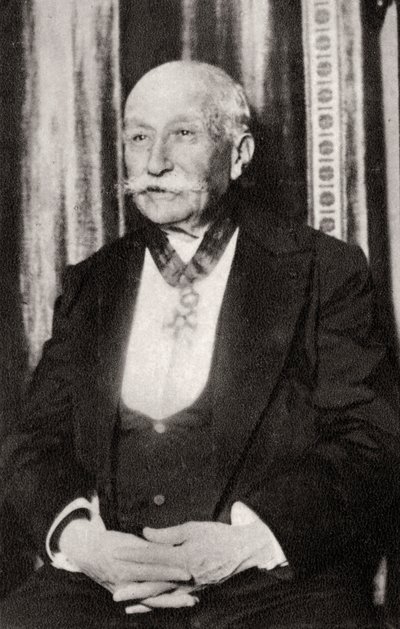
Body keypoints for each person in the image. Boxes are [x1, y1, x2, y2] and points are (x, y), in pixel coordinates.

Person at [0, 60, 399, 629]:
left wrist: (247, 543)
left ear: (238, 155)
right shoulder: (92, 282)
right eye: (139, 138)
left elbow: (371, 441)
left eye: (182, 134)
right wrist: (84, 543)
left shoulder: (322, 270)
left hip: (268, 583)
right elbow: (33, 444)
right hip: (106, 582)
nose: (154, 162)